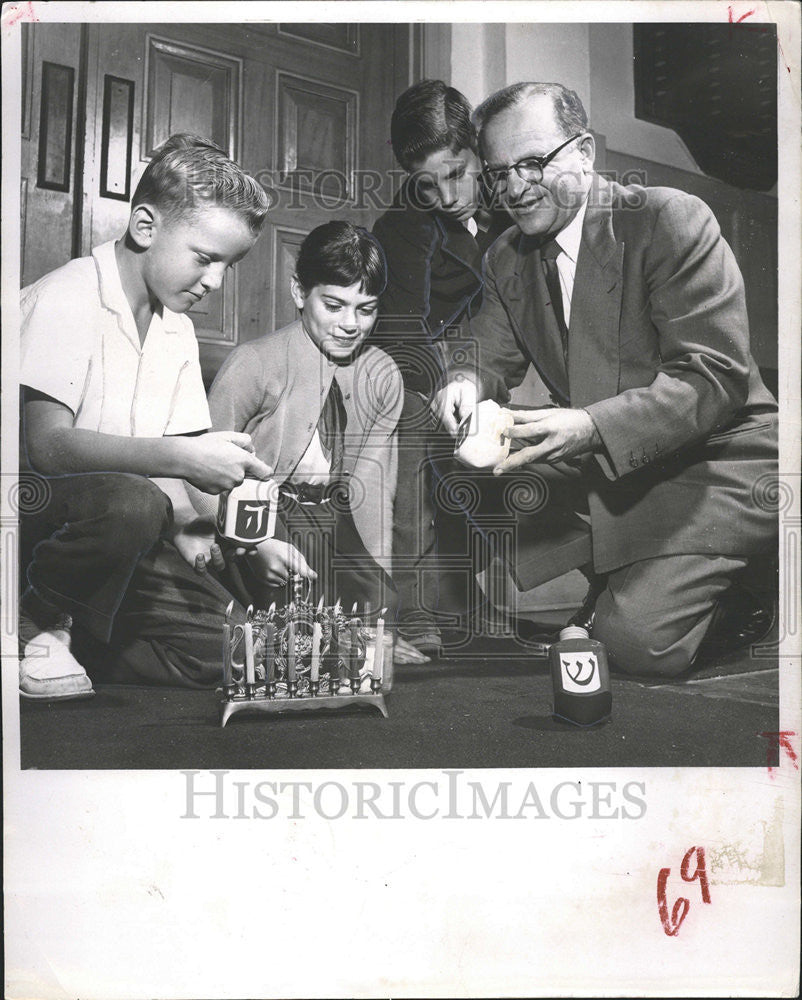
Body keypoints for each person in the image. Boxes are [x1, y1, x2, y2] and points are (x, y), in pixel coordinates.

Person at [435, 81, 777, 677]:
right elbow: (485, 355)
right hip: (611, 457)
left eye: (534, 162)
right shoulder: (506, 256)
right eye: (499, 173)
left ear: (585, 152)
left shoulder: (669, 218)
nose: (515, 188)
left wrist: (592, 426)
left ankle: (750, 591)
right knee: (458, 473)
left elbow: (713, 376)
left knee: (633, 647)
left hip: (716, 460)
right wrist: (463, 383)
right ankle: (626, 577)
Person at [19, 133, 272, 699]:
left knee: (237, 648)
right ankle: (32, 620)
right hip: (35, 515)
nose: (215, 282)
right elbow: (49, 449)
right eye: (206, 258)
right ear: (145, 227)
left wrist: (198, 528)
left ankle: (78, 633)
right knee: (133, 502)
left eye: (227, 265)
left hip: (113, 535)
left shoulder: (176, 328)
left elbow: (175, 475)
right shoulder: (68, 296)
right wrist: (181, 458)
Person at [204, 221, 414, 644]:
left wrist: (379, 586)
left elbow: (372, 486)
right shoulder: (253, 363)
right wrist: (255, 543)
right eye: (334, 306)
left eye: (366, 308)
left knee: (374, 629)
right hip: (260, 521)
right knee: (290, 639)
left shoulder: (383, 374)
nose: (350, 324)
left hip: (334, 519)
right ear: (300, 292)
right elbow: (204, 479)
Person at [370, 80, 510, 654]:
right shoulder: (403, 224)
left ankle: (456, 589)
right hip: (409, 360)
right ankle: (413, 605)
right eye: (428, 184)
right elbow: (404, 334)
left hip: (493, 358)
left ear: (478, 148)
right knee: (419, 426)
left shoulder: (514, 198)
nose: (447, 195)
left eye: (457, 173)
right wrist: (452, 384)